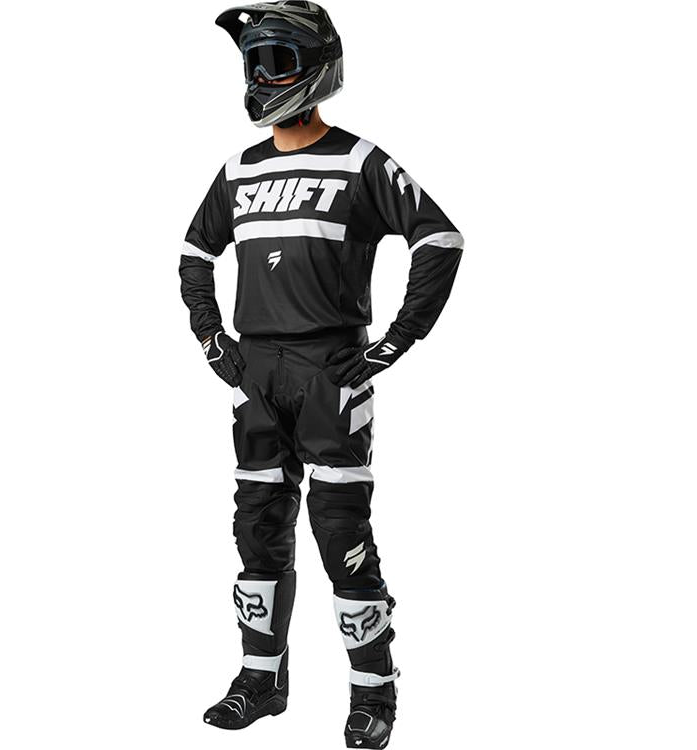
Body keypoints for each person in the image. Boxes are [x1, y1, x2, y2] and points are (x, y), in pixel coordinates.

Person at [179, 2, 463, 747]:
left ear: (318, 67)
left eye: (275, 61)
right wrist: (212, 339)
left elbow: (440, 239)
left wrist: (394, 343)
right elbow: (194, 253)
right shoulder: (238, 169)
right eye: (253, 63)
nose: (260, 78)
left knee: (341, 533)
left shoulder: (360, 161)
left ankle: (374, 692)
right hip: (255, 373)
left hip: (331, 371)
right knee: (256, 530)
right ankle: (259, 680)